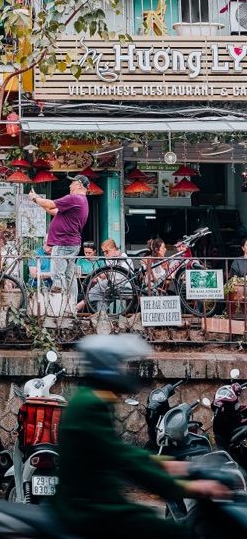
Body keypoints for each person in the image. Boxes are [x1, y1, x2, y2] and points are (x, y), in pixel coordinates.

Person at [53, 334, 230, 539]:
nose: (124, 372)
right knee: (171, 533)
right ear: (106, 365)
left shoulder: (91, 398)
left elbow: (120, 451)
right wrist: (189, 487)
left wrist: (174, 465)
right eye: (121, 365)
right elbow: (126, 463)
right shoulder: (90, 405)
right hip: (90, 510)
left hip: (94, 504)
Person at [28, 174, 90, 308]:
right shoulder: (82, 201)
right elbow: (53, 211)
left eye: (72, 183)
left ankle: (60, 307)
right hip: (72, 243)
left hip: (63, 243)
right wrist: (37, 201)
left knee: (58, 275)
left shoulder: (74, 198)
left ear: (79, 184)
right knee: (69, 276)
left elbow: (50, 204)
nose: (69, 185)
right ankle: (71, 306)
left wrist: (35, 198)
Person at [76, 239, 133, 312]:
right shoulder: (110, 259)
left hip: (122, 285)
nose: (105, 254)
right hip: (111, 285)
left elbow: (121, 277)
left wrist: (106, 275)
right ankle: (100, 314)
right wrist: (101, 277)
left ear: (114, 249)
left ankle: (80, 306)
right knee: (96, 290)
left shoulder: (124, 260)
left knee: (98, 290)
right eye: (104, 252)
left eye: (107, 251)